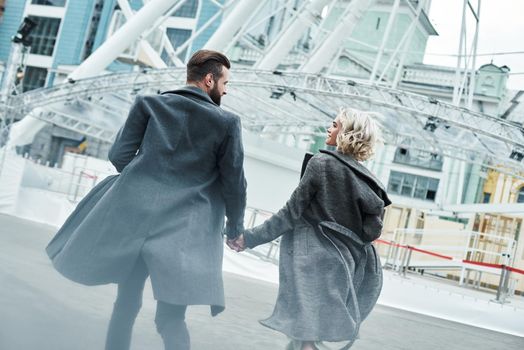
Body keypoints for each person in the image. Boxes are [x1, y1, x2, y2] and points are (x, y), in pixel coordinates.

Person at [46, 50, 247, 350]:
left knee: (125, 304)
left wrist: (146, 178)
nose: (226, 89)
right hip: (184, 229)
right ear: (209, 80)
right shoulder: (227, 122)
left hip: (137, 220)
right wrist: (235, 227)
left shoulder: (149, 104)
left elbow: (119, 156)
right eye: (225, 82)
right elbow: (234, 183)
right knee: (170, 318)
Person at [228, 108, 391, 350]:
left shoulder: (322, 163)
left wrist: (249, 238)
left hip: (310, 260)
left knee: (306, 338)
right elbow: (371, 232)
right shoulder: (371, 184)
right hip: (345, 265)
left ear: (347, 133)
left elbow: (290, 213)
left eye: (335, 125)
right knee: (306, 334)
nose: (329, 128)